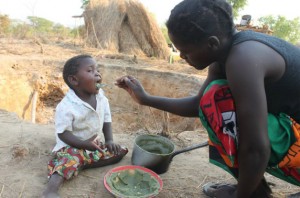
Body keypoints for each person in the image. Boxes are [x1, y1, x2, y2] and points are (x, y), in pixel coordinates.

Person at [115, 0, 300, 197]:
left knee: (220, 103)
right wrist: (146, 99)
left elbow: (255, 148)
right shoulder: (226, 55)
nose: (182, 57)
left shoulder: (243, 59)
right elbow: (200, 105)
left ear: (212, 43)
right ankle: (252, 189)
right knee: (216, 102)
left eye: (185, 52)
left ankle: (253, 193)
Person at [43, 54, 128, 198]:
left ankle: (82, 164)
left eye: (97, 70)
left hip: (93, 145)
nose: (97, 73)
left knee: (120, 151)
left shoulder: (101, 96)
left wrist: (109, 140)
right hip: (72, 146)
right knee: (69, 158)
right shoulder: (66, 106)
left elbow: (106, 119)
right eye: (90, 71)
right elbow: (63, 133)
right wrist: (83, 144)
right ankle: (50, 191)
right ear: (74, 80)